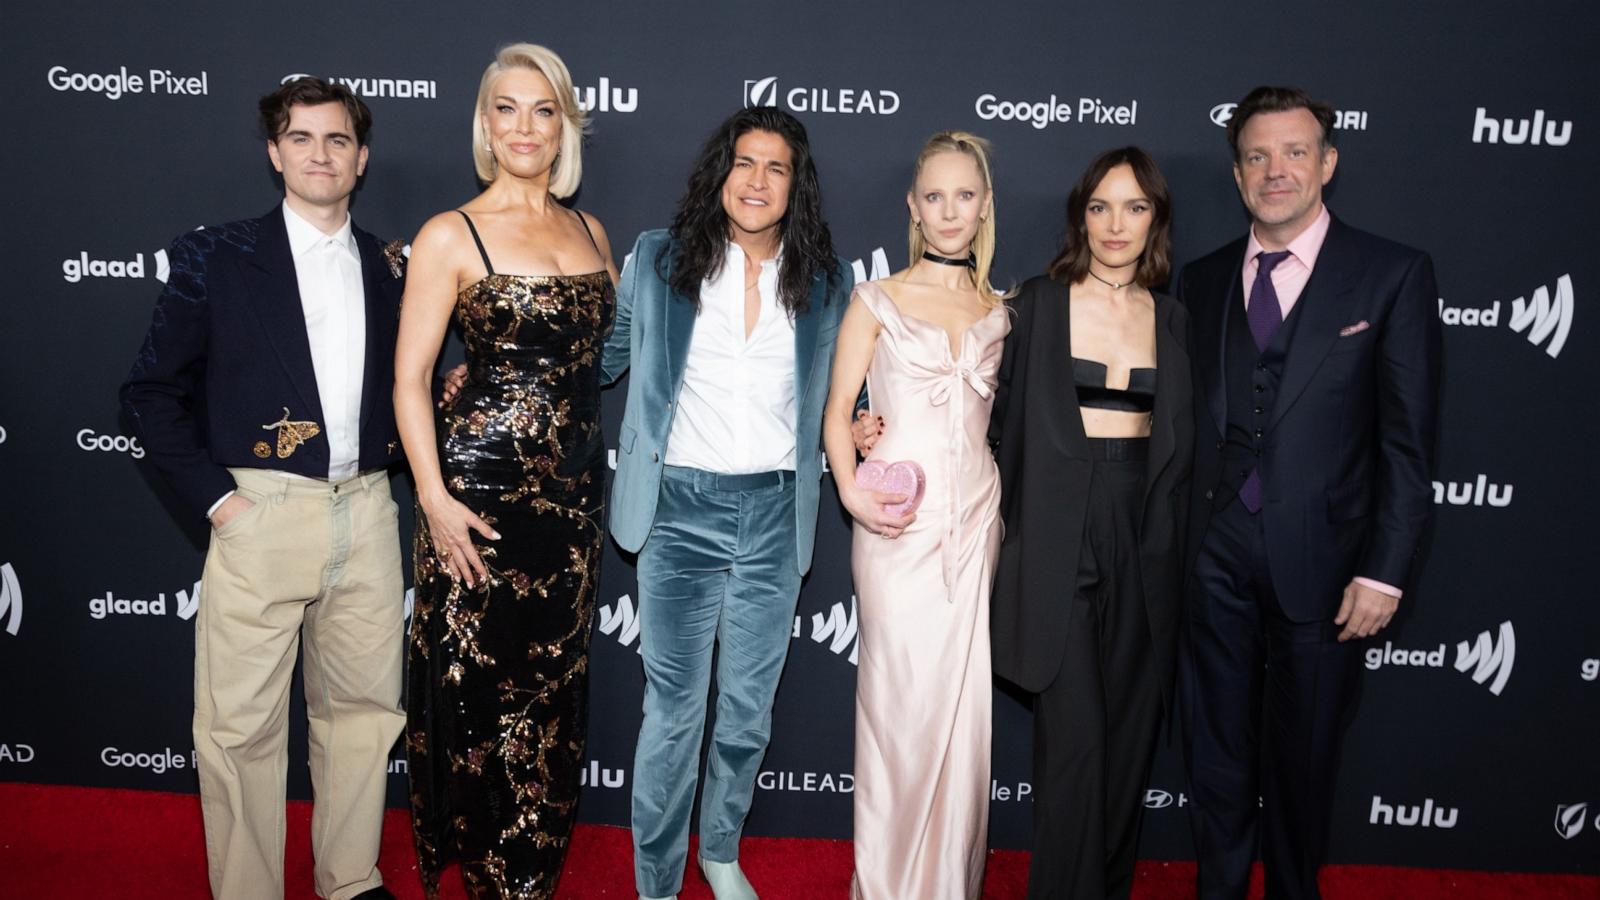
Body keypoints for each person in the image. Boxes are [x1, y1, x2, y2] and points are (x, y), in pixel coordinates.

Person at [120, 77, 407, 900]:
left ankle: (350, 879)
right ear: (275, 153)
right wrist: (222, 503)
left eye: (339, 140)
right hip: (261, 510)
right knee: (240, 728)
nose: (322, 154)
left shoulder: (392, 265)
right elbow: (148, 394)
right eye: (303, 138)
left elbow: (407, 383)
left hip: (368, 507)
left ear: (362, 158)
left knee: (362, 715)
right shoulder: (215, 256)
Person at [1177, 86, 1440, 900]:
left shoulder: (1391, 274)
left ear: (1328, 162)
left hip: (1327, 567)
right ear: (1237, 173)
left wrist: (1385, 570)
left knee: (1306, 758)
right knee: (1215, 755)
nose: (1275, 170)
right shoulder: (1203, 277)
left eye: (1294, 152)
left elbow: (1408, 441)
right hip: (1211, 554)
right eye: (1257, 156)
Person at [601, 107, 853, 900]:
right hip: (678, 510)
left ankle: (718, 850)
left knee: (745, 713)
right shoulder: (656, 260)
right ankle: (654, 880)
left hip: (777, 514)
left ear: (795, 185)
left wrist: (867, 422)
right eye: (745, 163)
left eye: (776, 168)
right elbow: (603, 357)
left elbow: (842, 393)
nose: (757, 181)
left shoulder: (825, 283)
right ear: (721, 172)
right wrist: (495, 371)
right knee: (674, 712)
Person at [392, 43, 617, 899]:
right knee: (482, 696)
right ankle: (492, 875)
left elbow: (601, 356)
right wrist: (435, 499)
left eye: (543, 109)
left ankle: (534, 871)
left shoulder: (591, 232)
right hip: (476, 500)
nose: (525, 127)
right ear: (486, 125)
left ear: (565, 125)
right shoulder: (453, 231)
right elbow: (412, 379)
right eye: (507, 109)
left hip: (571, 507)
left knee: (553, 689)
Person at [823, 131, 1009, 900]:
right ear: (913, 206)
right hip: (896, 526)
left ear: (985, 204)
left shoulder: (1005, 310)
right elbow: (837, 414)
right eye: (934, 196)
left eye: (964, 195)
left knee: (964, 718)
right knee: (898, 710)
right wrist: (851, 491)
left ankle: (948, 885)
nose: (949, 211)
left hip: (976, 524)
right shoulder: (878, 299)